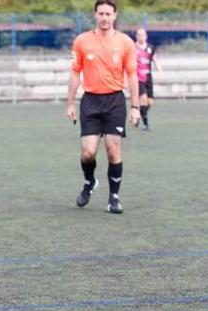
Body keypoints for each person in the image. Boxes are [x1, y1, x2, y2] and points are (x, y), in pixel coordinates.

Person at [66, 0, 140, 214]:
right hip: (90, 101)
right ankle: (90, 182)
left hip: (115, 101)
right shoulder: (82, 41)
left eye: (108, 13)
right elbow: (75, 73)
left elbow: (132, 75)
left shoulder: (125, 42)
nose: (105, 17)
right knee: (88, 153)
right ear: (95, 15)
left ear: (115, 16)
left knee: (112, 148)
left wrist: (135, 107)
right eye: (101, 13)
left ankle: (114, 197)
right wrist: (70, 103)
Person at [135, 28, 162, 131]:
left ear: (146, 36)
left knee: (150, 102)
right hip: (138, 78)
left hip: (148, 77)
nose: (141, 37)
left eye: (143, 35)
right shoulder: (133, 48)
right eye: (139, 35)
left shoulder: (150, 48)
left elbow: (155, 59)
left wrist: (160, 70)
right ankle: (146, 125)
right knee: (143, 99)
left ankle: (137, 112)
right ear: (136, 36)